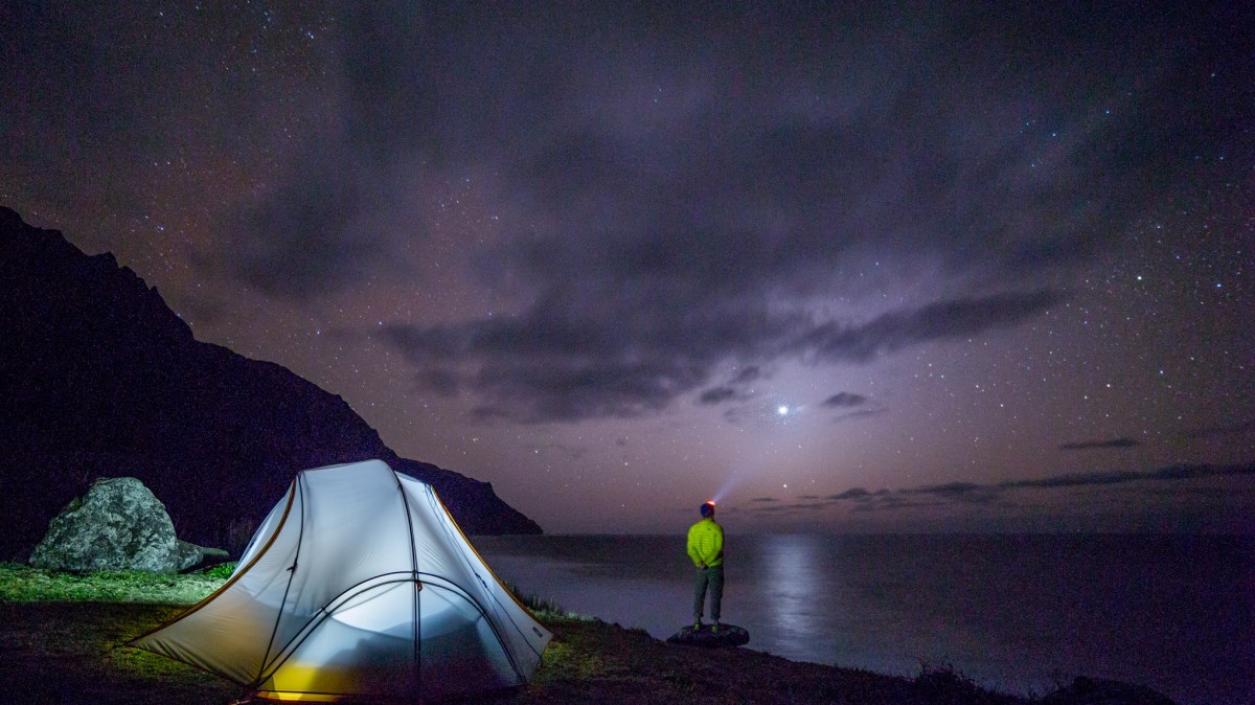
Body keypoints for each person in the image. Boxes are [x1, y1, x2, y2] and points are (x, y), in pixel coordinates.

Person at [686, 500, 724, 632]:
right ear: (712, 513)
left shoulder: (694, 529)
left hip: (700, 568)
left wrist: (699, 563)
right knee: (715, 594)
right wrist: (708, 562)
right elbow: (718, 548)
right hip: (715, 567)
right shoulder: (717, 528)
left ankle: (696, 622)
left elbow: (690, 549)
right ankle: (715, 623)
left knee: (699, 593)